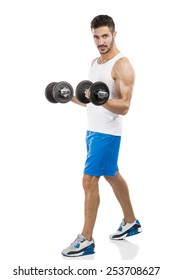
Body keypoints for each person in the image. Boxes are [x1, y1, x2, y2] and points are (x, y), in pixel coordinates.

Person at [62, 15, 142, 257]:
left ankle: (86, 239)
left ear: (114, 34)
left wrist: (103, 99)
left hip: (107, 133)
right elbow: (92, 102)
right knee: (111, 174)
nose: (100, 41)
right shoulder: (95, 62)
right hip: (92, 131)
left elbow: (124, 106)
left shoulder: (122, 64)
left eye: (105, 35)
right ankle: (131, 221)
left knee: (89, 180)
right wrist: (66, 96)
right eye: (96, 36)